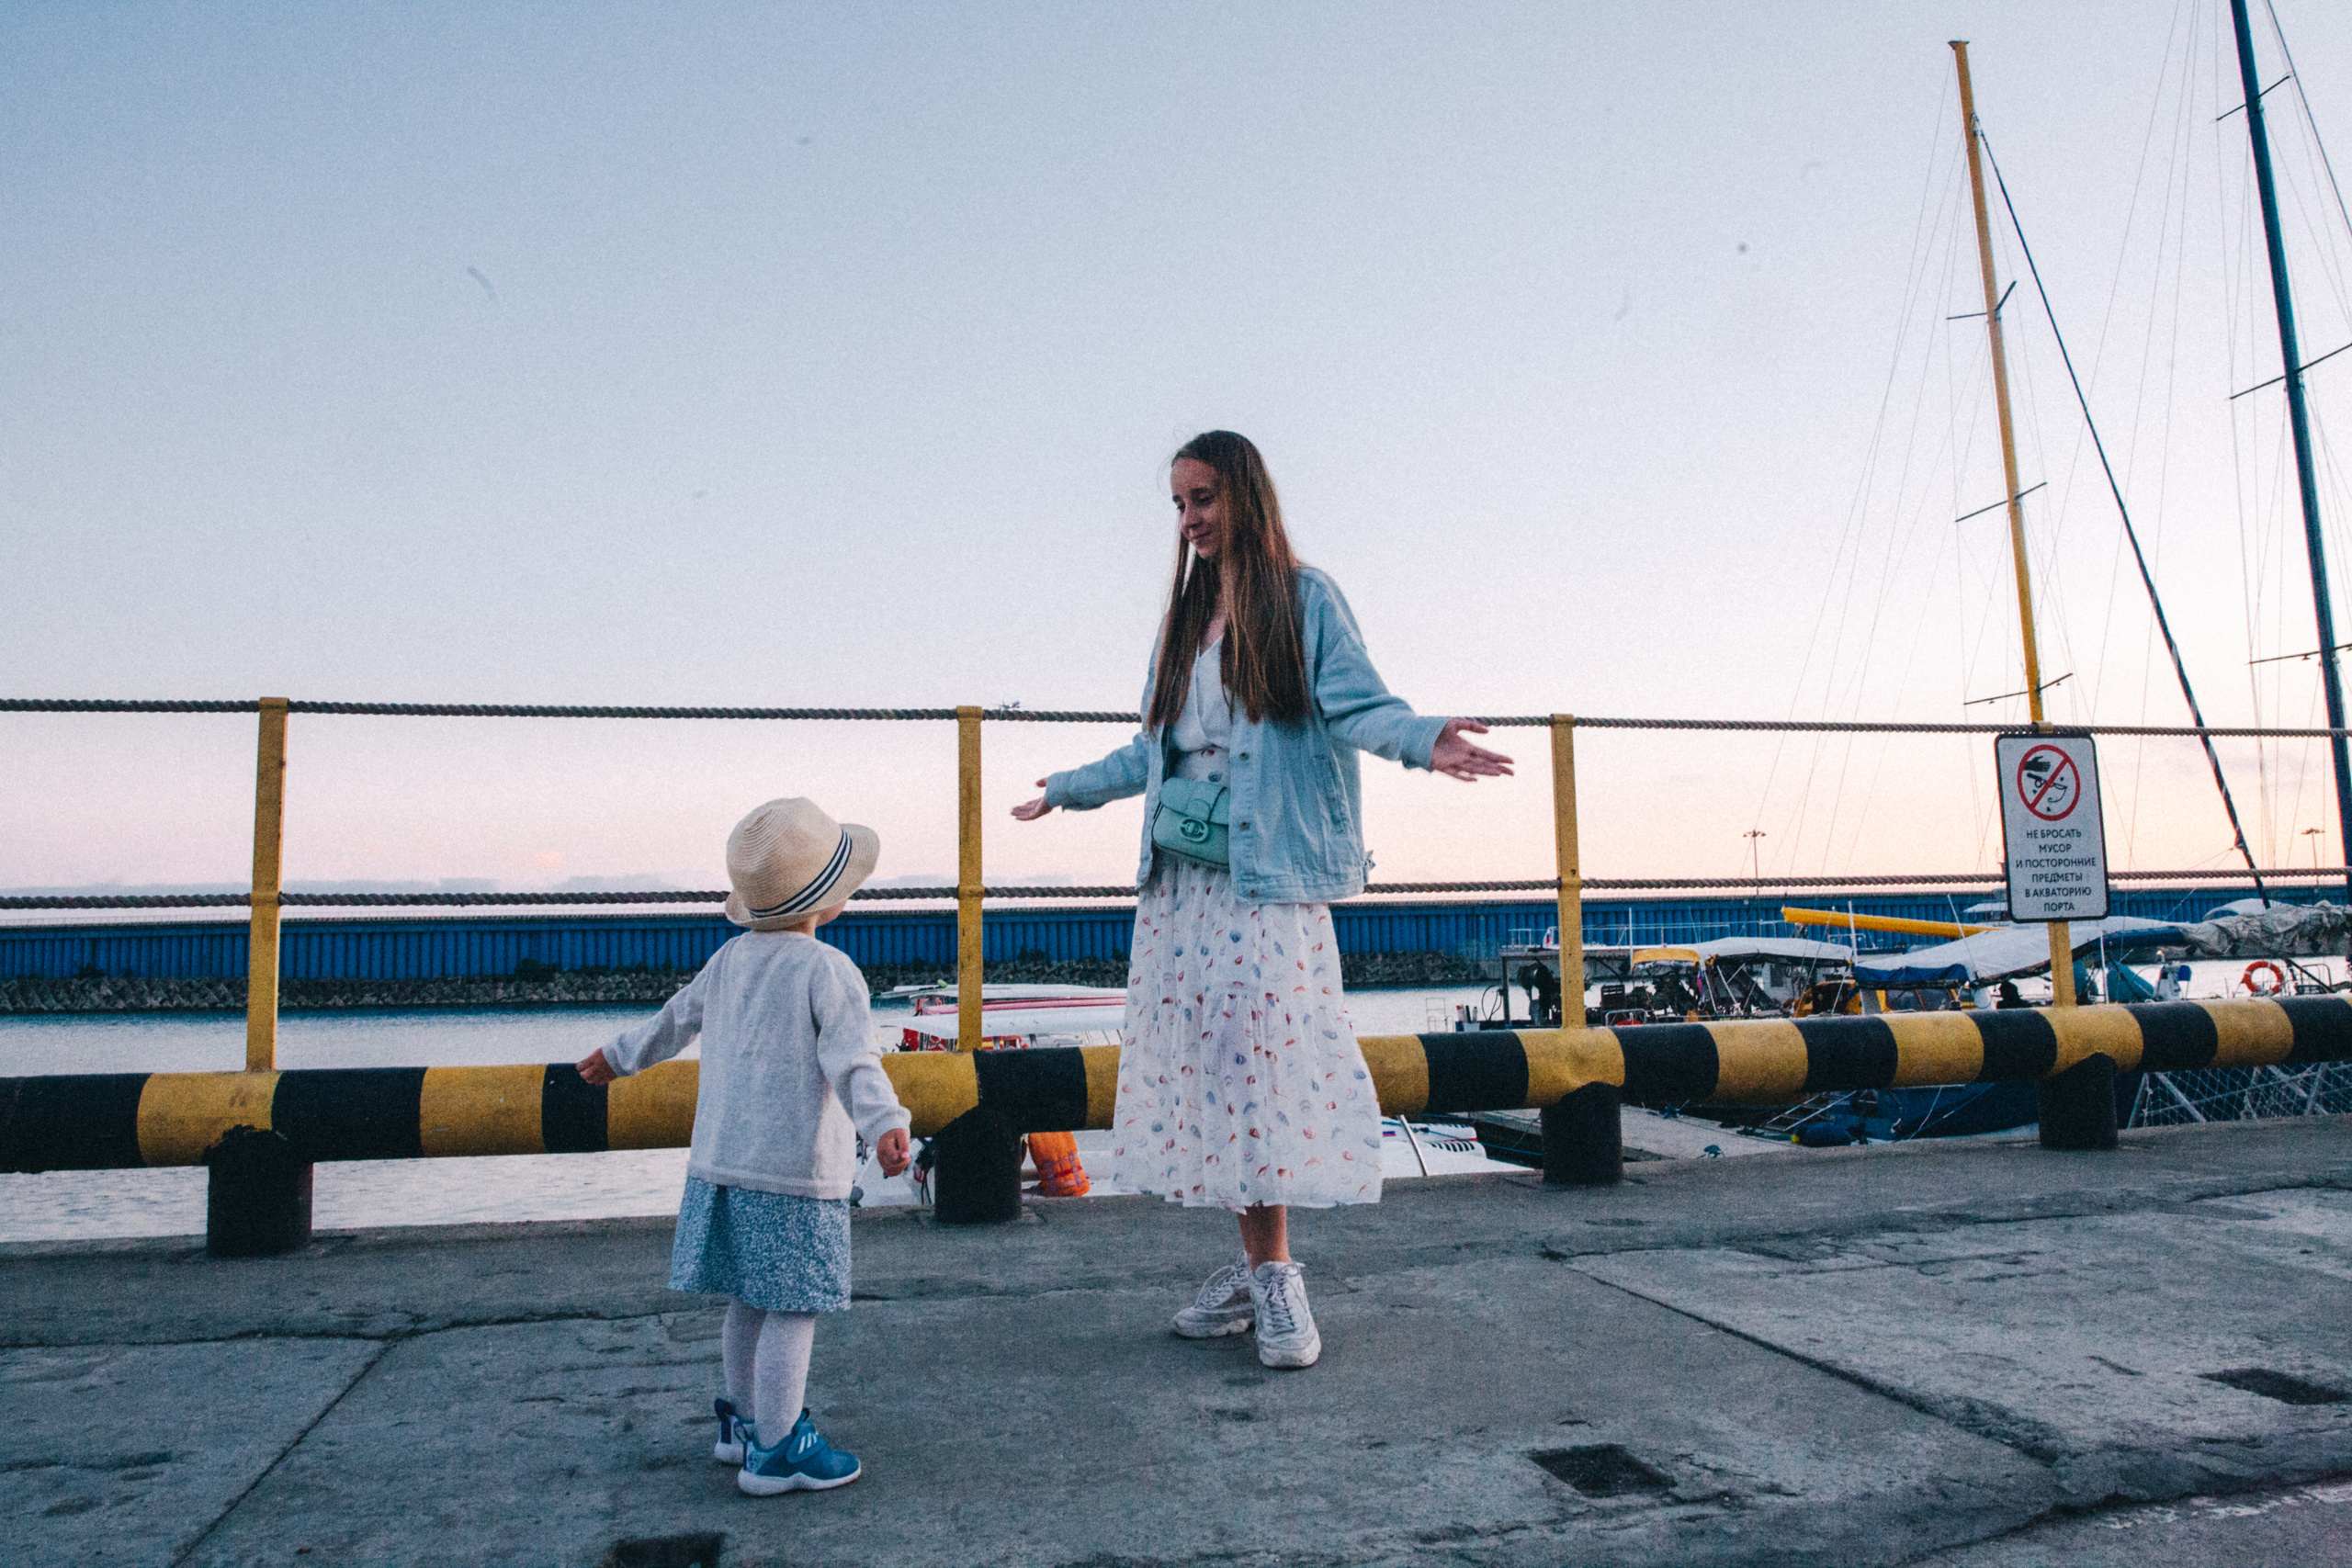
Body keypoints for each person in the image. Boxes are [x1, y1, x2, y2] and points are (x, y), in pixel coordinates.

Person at [1011, 430, 1511, 1369]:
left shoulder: (1303, 600)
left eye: (1201, 498)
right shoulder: (1182, 620)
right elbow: (1148, 751)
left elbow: (1358, 706)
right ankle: (1252, 1267)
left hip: (1265, 882)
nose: (1189, 520)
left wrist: (1424, 738)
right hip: (1184, 890)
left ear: (1244, 493)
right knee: (1211, 1072)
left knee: (1265, 1071)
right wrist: (1067, 786)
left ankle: (1277, 1277)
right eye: (1177, 505)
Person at [576, 797, 911, 1495]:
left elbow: (674, 1021)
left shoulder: (729, 960)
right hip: (792, 1172)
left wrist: (617, 1054)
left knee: (749, 1301)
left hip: (722, 1168)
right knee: (793, 1305)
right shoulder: (828, 969)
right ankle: (778, 1449)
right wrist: (886, 1125)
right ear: (829, 899)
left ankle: (743, 1424)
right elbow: (855, 1063)